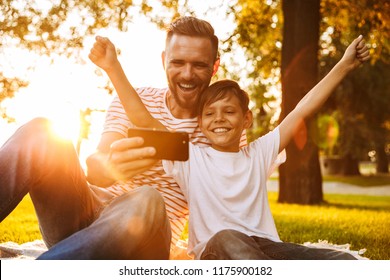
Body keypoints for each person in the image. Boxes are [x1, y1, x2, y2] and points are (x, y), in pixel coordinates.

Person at [89, 33, 370, 260]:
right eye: (210, 114)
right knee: (230, 239)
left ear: (246, 119)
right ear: (200, 124)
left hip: (265, 249)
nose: (219, 119)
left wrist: (344, 64)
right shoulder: (189, 157)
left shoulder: (259, 153)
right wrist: (113, 68)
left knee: (342, 261)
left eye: (229, 112)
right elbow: (144, 119)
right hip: (215, 249)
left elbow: (301, 111)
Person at [0, 16, 229, 259]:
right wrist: (109, 166)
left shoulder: (223, 125)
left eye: (199, 65)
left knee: (147, 197)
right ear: (164, 61)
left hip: (146, 238)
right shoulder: (131, 99)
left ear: (214, 67)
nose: (187, 74)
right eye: (178, 62)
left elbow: (227, 202)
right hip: (87, 214)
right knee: (42, 131)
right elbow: (97, 165)